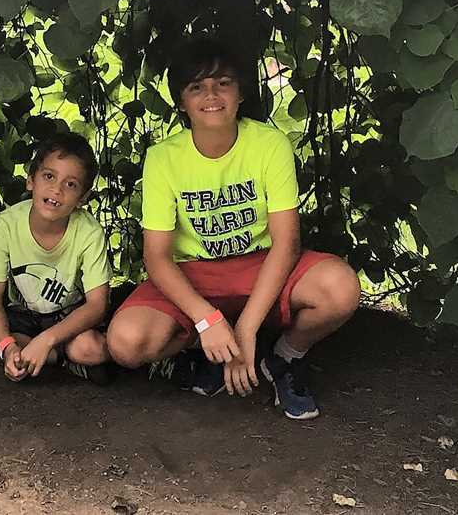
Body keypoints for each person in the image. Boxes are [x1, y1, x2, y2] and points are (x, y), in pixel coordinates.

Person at [106, 39, 361, 419]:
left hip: (261, 265)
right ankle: (203, 353)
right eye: (196, 87)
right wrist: (208, 321)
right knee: (126, 342)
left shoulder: (269, 145)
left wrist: (247, 329)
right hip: (195, 273)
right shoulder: (163, 159)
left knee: (340, 288)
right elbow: (157, 258)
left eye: (222, 83)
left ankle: (283, 359)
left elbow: (287, 243)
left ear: (240, 93)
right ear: (181, 101)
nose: (211, 95)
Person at [0, 133, 111, 383]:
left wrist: (47, 339)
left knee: (92, 349)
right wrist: (7, 347)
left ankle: (44, 352)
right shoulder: (5, 225)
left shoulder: (89, 232)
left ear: (83, 198)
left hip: (68, 320)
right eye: (49, 176)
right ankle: (48, 358)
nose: (56, 190)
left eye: (71, 185)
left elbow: (97, 306)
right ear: (30, 180)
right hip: (22, 318)